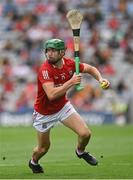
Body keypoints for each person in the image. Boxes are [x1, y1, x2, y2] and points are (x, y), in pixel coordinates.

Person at [28, 38, 110, 173]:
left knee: (85, 134)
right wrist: (71, 82)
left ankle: (80, 151)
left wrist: (101, 79)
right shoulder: (45, 69)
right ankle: (33, 162)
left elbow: (90, 68)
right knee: (43, 148)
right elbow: (52, 94)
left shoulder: (70, 64)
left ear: (62, 53)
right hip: (44, 113)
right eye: (48, 51)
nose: (49, 53)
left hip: (62, 107)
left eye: (53, 51)